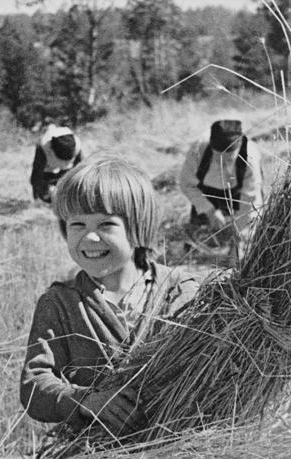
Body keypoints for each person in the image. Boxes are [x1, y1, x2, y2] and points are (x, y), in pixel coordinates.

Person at [20, 156, 198, 436]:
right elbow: (34, 385)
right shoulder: (60, 303)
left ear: (139, 227)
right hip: (93, 456)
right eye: (77, 225)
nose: (90, 238)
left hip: (176, 447)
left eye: (105, 225)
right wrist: (85, 401)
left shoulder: (180, 291)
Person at [178, 119, 263, 263]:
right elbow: (186, 184)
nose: (223, 164)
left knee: (243, 249)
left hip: (238, 195)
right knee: (194, 251)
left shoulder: (250, 157)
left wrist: (239, 238)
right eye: (218, 158)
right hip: (206, 194)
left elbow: (250, 202)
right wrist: (209, 210)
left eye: (228, 159)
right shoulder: (198, 149)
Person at [29, 123, 83, 203]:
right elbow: (36, 175)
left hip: (67, 170)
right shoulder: (43, 148)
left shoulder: (76, 146)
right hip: (47, 170)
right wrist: (36, 197)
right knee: (45, 196)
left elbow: (81, 171)